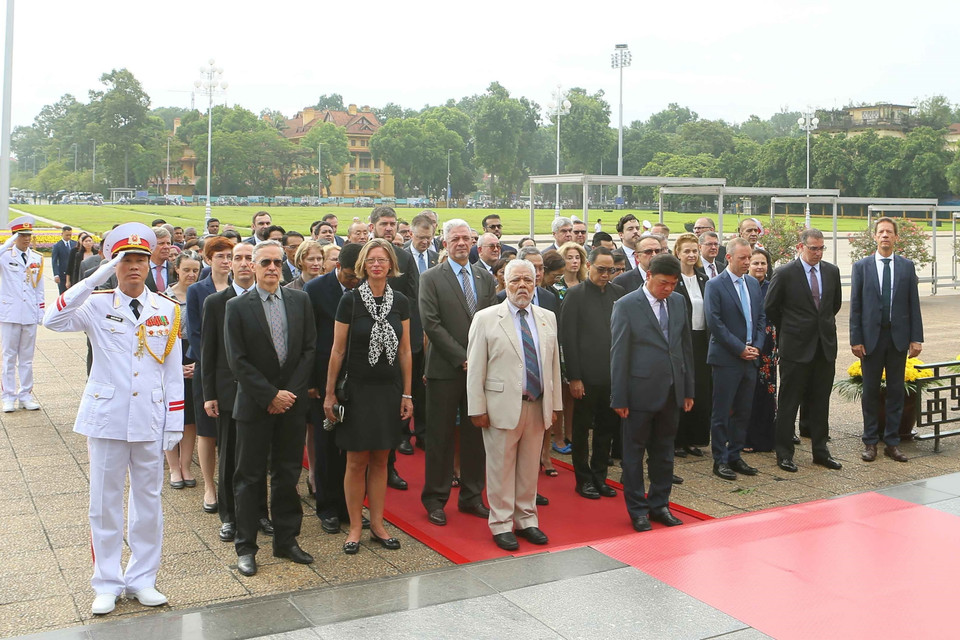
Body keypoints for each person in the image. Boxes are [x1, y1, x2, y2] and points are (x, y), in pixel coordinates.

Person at [43, 223, 184, 615]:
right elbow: (52, 320)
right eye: (126, 260)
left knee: (148, 501)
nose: (134, 267)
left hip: (150, 417)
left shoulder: (167, 309)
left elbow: (173, 372)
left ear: (150, 261)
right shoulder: (96, 303)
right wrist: (100, 273)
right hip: (106, 417)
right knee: (103, 503)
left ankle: (142, 579)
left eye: (140, 259)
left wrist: (175, 421)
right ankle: (106, 581)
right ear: (115, 264)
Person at [225, 240, 316, 577]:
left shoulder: (300, 300)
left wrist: (288, 394)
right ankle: (246, 547)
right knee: (248, 478)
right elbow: (238, 361)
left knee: (287, 474)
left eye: (278, 262)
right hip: (254, 405)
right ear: (252, 265)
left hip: (291, 405)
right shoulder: (237, 307)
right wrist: (269, 396)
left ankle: (286, 540)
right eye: (265, 263)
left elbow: (309, 350)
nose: (272, 269)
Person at [324, 239, 412, 554]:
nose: (377, 265)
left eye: (382, 260)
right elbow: (338, 349)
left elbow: (405, 351)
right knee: (356, 459)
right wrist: (329, 393)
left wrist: (408, 393)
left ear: (391, 266)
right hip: (357, 390)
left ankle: (377, 523)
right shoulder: (349, 301)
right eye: (371, 260)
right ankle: (355, 525)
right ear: (363, 265)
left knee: (381, 459)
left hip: (388, 389)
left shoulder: (400, 301)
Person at [467, 259, 562, 550]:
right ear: (504, 284)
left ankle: (527, 520)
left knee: (529, 467)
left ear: (536, 283)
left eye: (528, 280)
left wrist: (556, 405)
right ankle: (501, 523)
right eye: (515, 280)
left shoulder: (547, 316)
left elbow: (554, 364)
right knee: (500, 468)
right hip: (499, 406)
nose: (522, 286)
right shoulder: (485, 318)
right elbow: (475, 368)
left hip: (536, 404)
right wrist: (477, 408)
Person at [419, 219, 498, 526]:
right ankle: (436, 499)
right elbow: (431, 322)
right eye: (456, 239)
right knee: (440, 437)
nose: (462, 243)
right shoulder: (431, 278)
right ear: (445, 244)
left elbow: (492, 320)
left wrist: (479, 361)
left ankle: (472, 496)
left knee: (475, 435)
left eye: (467, 238)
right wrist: (464, 358)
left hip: (480, 372)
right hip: (445, 369)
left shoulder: (483, 276)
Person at [611, 254, 694, 532]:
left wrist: (687, 389)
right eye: (663, 283)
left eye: (673, 283)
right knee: (633, 455)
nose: (668, 289)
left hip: (672, 391)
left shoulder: (679, 301)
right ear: (648, 276)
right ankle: (637, 510)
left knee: (664, 452)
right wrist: (619, 396)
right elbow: (619, 353)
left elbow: (685, 349)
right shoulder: (626, 305)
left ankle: (660, 505)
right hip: (638, 392)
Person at [200, 242, 269, 544]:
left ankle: (261, 512)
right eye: (235, 258)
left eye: (245, 258)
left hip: (261, 391)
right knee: (229, 456)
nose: (240, 263)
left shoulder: (269, 299)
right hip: (229, 392)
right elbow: (208, 351)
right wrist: (209, 393)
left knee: (259, 457)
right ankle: (229, 516)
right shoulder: (216, 302)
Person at [765, 229, 843, 471]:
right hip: (795, 349)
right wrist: (792, 328)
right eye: (813, 248)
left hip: (824, 348)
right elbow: (771, 308)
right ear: (800, 247)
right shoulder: (785, 273)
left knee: (821, 402)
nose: (818, 253)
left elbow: (834, 305)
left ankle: (820, 451)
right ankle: (784, 453)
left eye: (821, 248)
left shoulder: (831, 271)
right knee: (790, 402)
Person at [850, 217, 924, 463]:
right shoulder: (862, 267)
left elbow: (914, 303)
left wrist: (916, 338)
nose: (884, 236)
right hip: (871, 339)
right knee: (870, 391)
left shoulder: (906, 266)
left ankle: (892, 442)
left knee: (895, 391)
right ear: (874, 236)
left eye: (889, 232)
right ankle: (870, 441)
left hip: (898, 339)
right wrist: (855, 339)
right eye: (880, 232)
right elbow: (856, 307)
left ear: (895, 238)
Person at [304, 243, 361, 534]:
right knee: (326, 447)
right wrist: (313, 383)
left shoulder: (366, 288)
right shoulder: (315, 290)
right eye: (351, 276)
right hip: (324, 380)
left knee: (352, 447)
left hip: (357, 381)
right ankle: (327, 507)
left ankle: (349, 507)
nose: (355, 281)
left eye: (358, 276)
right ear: (338, 267)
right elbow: (309, 340)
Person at [560, 247, 624, 499]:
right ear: (589, 266)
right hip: (585, 377)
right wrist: (574, 377)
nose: (606, 275)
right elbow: (568, 338)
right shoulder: (575, 295)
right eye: (601, 269)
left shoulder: (618, 294)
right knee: (581, 428)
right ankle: (582, 479)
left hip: (612, 375)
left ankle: (599, 476)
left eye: (611, 270)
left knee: (606, 429)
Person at [703, 238, 766, 481]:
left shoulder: (752, 283)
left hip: (750, 356)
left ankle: (735, 454)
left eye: (749, 257)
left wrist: (756, 346)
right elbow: (715, 323)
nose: (747, 262)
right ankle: (720, 459)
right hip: (727, 358)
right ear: (728, 258)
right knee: (721, 411)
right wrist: (739, 348)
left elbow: (760, 318)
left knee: (743, 410)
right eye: (743, 258)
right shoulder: (715, 285)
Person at [186, 237, 233, 513]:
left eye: (229, 256)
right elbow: (195, 332)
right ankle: (209, 486)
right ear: (208, 259)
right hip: (208, 367)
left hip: (235, 368)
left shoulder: (241, 287)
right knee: (207, 431)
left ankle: (229, 483)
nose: (226, 261)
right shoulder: (197, 290)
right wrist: (212, 363)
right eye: (220, 257)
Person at [163, 251, 202, 497]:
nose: (191, 274)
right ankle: (173, 467)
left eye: (195, 270)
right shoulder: (163, 297)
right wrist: (173, 365)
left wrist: (197, 362)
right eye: (186, 269)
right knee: (171, 413)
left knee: (190, 417)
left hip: (194, 357)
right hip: (168, 357)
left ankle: (187, 466)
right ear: (177, 269)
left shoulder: (200, 296)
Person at [0, 216, 45, 412]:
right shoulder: (5, 256)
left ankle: (25, 395)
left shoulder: (37, 258)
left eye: (28, 235)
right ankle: (8, 396)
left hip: (29, 313)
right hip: (9, 313)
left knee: (26, 358)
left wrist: (40, 311)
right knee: (9, 357)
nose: (26, 239)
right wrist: (8, 243)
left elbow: (39, 288)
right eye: (22, 235)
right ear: (15, 236)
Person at [672, 233, 710, 457]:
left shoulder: (703, 278)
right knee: (681, 388)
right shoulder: (674, 279)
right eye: (686, 251)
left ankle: (695, 439)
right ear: (677, 252)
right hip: (681, 341)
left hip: (701, 340)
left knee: (699, 389)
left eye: (694, 251)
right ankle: (678, 439)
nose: (691, 254)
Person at [742, 249, 777, 453]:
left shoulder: (772, 287)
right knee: (748, 391)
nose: (759, 267)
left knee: (768, 391)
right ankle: (745, 437)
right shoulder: (744, 286)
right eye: (755, 263)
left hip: (769, 346)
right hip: (749, 344)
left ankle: (766, 438)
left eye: (763, 263)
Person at [145, 227, 175, 292]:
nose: (166, 247)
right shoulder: (141, 269)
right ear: (151, 246)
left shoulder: (176, 269)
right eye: (161, 243)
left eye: (168, 243)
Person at [51, 225, 75, 294]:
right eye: (67, 235)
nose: (68, 237)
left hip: (73, 273)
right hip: (62, 274)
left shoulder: (74, 244)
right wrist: (56, 274)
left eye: (70, 235)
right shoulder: (57, 246)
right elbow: (54, 261)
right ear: (62, 234)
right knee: (63, 293)